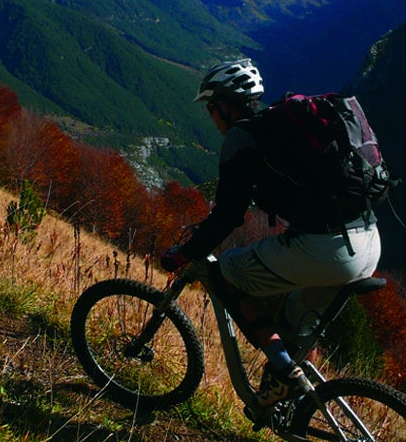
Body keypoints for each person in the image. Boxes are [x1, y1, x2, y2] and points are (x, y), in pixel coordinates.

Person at [161, 59, 382, 407]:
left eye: (211, 109)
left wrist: (186, 253)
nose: (211, 117)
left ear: (224, 105)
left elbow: (228, 216)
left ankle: (284, 371)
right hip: (368, 240)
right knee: (296, 326)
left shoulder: (242, 137)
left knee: (225, 276)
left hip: (327, 250)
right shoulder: (282, 126)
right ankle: (286, 403)